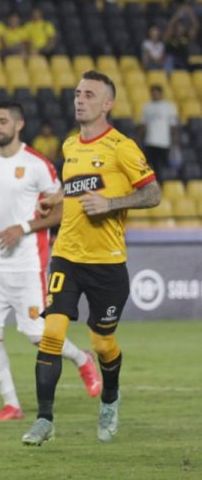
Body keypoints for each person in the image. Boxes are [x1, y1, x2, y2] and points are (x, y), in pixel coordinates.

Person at [21, 71, 161, 446]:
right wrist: (59, 197)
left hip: (108, 265)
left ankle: (110, 399)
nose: (79, 99)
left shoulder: (122, 147)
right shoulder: (70, 146)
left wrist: (112, 203)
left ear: (107, 104)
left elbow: (153, 194)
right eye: (77, 93)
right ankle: (44, 420)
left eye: (89, 94)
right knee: (51, 334)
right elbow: (79, 188)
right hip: (66, 256)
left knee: (102, 344)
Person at [0, 102, 101, 423]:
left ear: (18, 124)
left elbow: (62, 211)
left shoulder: (38, 165)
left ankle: (81, 358)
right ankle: (11, 405)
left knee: (38, 335)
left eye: (3, 120)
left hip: (27, 264)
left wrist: (21, 228)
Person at [138, 85, 179, 179]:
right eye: (153, 93)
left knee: (162, 166)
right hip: (150, 141)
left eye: (156, 93)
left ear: (161, 94)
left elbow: (173, 125)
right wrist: (139, 138)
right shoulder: (147, 107)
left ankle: (162, 184)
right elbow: (144, 124)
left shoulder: (168, 106)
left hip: (164, 142)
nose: (154, 95)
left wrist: (175, 139)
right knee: (150, 165)